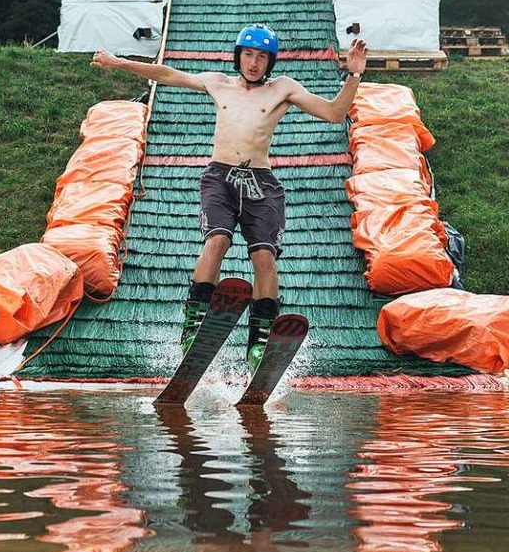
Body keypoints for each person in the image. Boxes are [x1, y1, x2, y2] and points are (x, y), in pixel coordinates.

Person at [91, 26, 367, 375]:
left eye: (262, 57)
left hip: (261, 183)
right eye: (248, 55)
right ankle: (193, 329)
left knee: (265, 257)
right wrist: (118, 62)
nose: (254, 63)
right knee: (217, 239)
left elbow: (333, 113)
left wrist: (354, 74)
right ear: (238, 56)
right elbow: (167, 74)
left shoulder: (283, 88)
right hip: (219, 177)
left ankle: (260, 341)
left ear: (270, 61)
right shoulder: (218, 82)